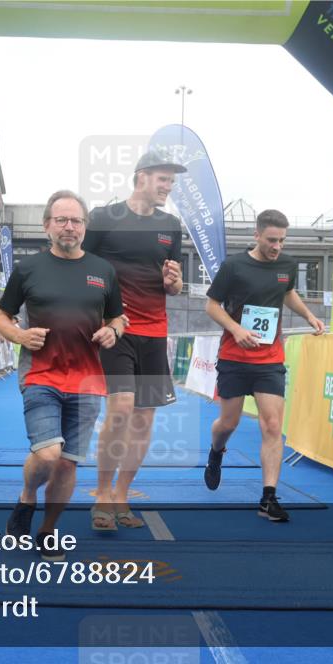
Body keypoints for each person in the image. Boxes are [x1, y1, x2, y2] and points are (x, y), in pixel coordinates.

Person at [0, 190, 124, 561]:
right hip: (41, 375)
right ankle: (26, 499)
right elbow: (1, 316)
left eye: (76, 221)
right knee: (49, 454)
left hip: (88, 381)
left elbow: (118, 317)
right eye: (62, 220)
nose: (70, 227)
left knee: (68, 463)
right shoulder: (28, 269)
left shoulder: (103, 271)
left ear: (85, 226)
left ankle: (48, 530)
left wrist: (113, 331)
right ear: (47, 226)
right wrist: (19, 335)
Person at [82, 150, 185, 531]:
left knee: (144, 418)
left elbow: (172, 284)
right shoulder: (105, 218)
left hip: (155, 333)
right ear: (141, 176)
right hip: (117, 329)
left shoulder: (171, 225)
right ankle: (103, 494)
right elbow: (81, 265)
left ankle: (122, 495)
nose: (168, 187)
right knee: (122, 407)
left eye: (172, 181)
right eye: (163, 179)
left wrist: (174, 284)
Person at [202, 210, 325, 522]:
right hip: (234, 357)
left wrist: (309, 315)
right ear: (256, 236)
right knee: (227, 425)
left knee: (272, 426)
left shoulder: (285, 265)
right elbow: (211, 305)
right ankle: (216, 452)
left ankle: (268, 498)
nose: (277, 247)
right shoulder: (234, 266)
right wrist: (237, 329)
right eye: (271, 240)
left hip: (270, 359)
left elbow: (286, 292)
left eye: (282, 240)